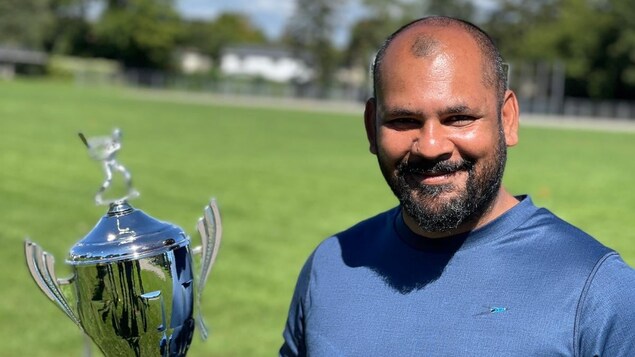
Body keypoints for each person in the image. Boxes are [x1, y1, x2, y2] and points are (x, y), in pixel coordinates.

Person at [280, 15, 635, 356]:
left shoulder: (599, 291)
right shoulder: (330, 267)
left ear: (507, 120)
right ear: (372, 127)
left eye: (459, 118)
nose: (431, 146)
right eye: (404, 120)